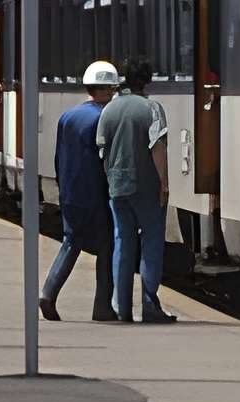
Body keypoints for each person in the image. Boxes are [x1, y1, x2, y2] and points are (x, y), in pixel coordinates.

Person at [37, 60, 121, 322]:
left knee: (71, 242)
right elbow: (106, 160)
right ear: (107, 90)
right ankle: (102, 307)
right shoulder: (103, 119)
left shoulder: (68, 116)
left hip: (71, 193)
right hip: (96, 194)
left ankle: (48, 293)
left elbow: (58, 156)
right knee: (107, 246)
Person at [95, 56, 175, 325]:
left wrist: (111, 177)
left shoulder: (109, 110)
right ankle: (149, 304)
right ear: (148, 80)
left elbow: (102, 149)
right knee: (151, 243)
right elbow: (158, 148)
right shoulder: (151, 108)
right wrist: (164, 183)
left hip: (117, 186)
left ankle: (122, 306)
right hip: (146, 187)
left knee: (123, 242)